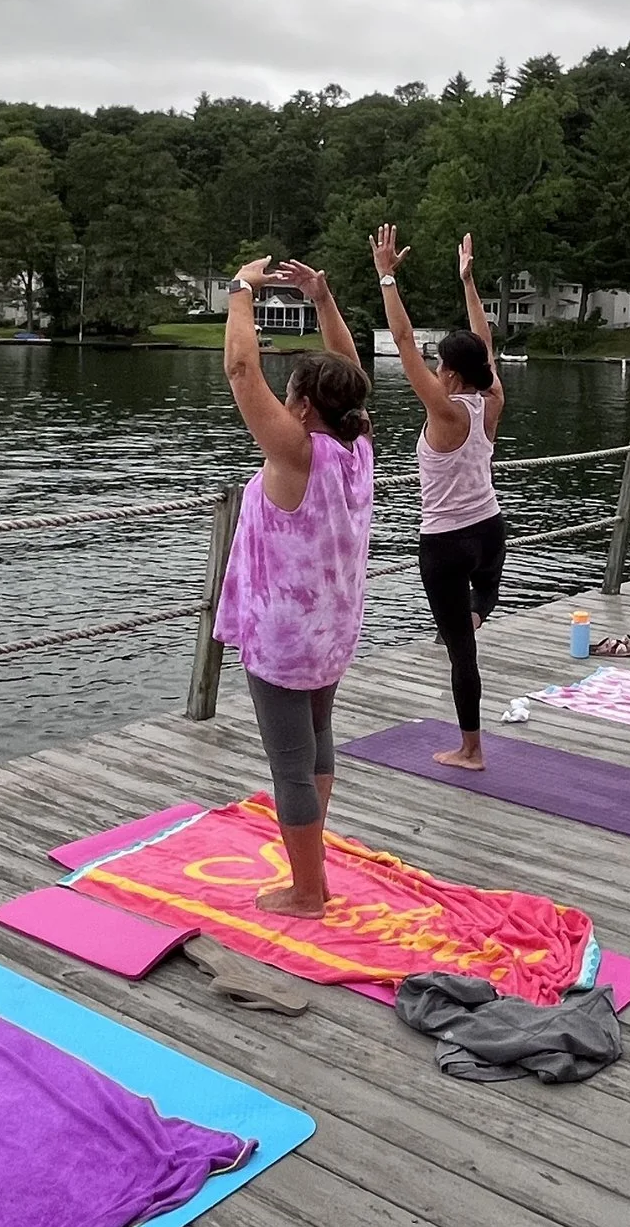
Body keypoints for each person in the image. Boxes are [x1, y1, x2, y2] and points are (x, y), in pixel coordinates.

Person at [213, 252, 373, 916]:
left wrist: (242, 289)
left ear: (303, 405)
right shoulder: (357, 447)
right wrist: (322, 297)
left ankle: (308, 888)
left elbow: (240, 367)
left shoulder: (295, 452)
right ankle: (313, 864)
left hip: (284, 642)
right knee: (316, 742)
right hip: (332, 632)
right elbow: (355, 379)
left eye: (291, 395)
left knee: (290, 764)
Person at [373, 225, 505, 770]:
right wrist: (468, 281)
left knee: (459, 651)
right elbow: (485, 342)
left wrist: (386, 277)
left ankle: (471, 748)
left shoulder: (446, 411)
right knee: (480, 607)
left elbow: (402, 342)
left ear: (448, 372)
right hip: (491, 533)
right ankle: (475, 611)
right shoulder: (491, 399)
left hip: (446, 543)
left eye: (439, 364)